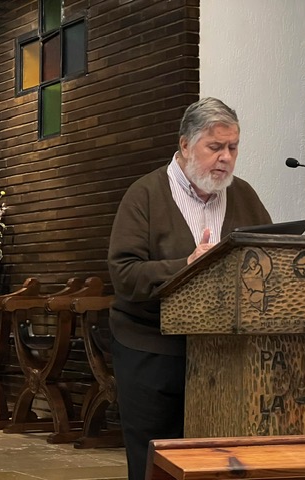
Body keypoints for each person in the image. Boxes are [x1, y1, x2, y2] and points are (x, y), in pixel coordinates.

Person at [107, 97, 273, 480]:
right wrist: (186, 265)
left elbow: (268, 258)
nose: (226, 158)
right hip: (152, 348)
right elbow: (124, 274)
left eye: (233, 147)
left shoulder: (244, 195)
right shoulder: (145, 195)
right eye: (215, 147)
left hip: (224, 353)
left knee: (215, 461)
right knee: (157, 461)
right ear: (185, 145)